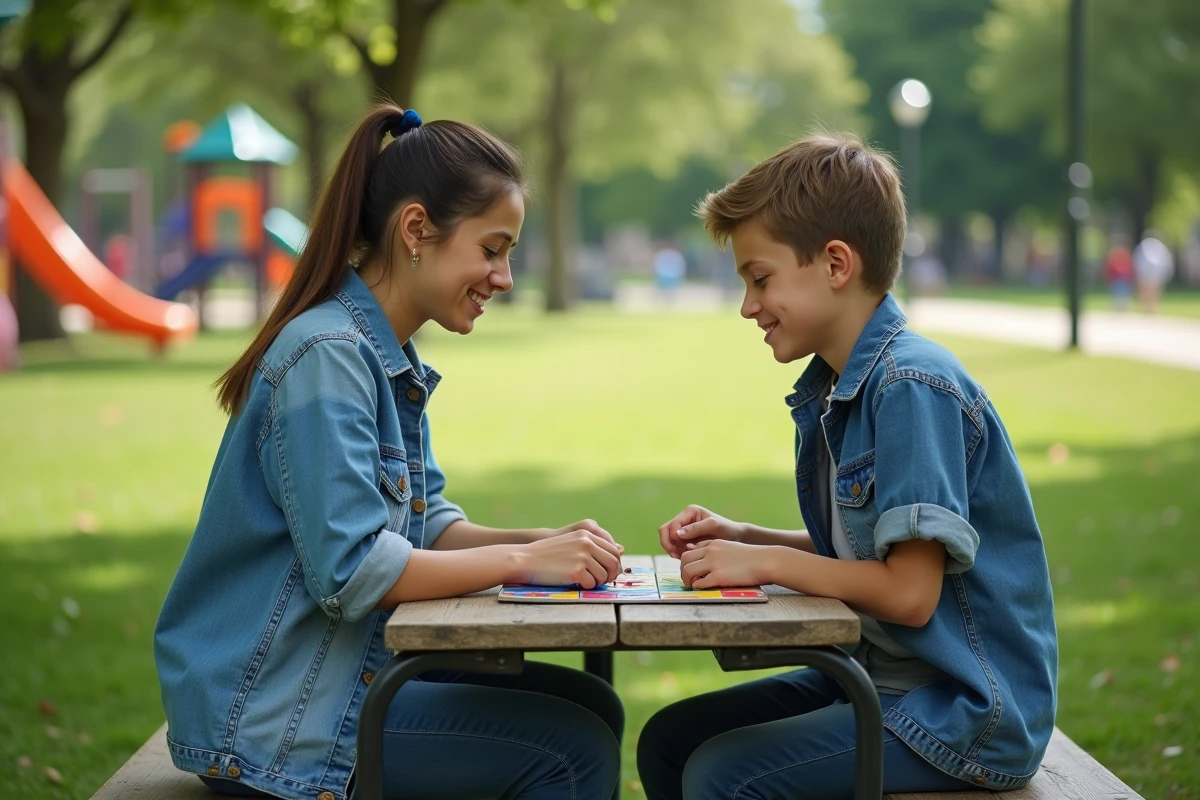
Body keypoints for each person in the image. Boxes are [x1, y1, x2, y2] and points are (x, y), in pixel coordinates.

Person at [154, 106, 625, 800]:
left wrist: (546, 540)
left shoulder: (381, 353)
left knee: (594, 708)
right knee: (569, 750)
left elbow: (425, 524)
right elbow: (352, 571)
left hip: (335, 676)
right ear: (415, 230)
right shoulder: (328, 356)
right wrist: (526, 562)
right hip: (273, 724)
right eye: (492, 249)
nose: (505, 278)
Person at [638, 133, 1057, 799]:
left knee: (726, 777)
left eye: (760, 278)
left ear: (835, 263)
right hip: (881, 675)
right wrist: (749, 537)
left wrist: (768, 566)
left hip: (962, 713)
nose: (748, 306)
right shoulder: (842, 387)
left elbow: (909, 594)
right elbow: (876, 551)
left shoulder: (911, 386)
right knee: (671, 741)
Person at [1132, 231, 1175, 314]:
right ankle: (1145, 307)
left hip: (1154, 272)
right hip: (1147, 272)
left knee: (1153, 291)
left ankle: (1151, 308)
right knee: (1146, 291)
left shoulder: (1159, 247)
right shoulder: (1144, 247)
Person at [1103, 236, 1134, 311]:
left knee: (1123, 293)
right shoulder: (1113, 253)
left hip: (1123, 277)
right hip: (1116, 277)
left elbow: (1129, 266)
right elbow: (1109, 265)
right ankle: (1117, 308)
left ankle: (1122, 308)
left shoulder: (1125, 253)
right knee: (1116, 293)